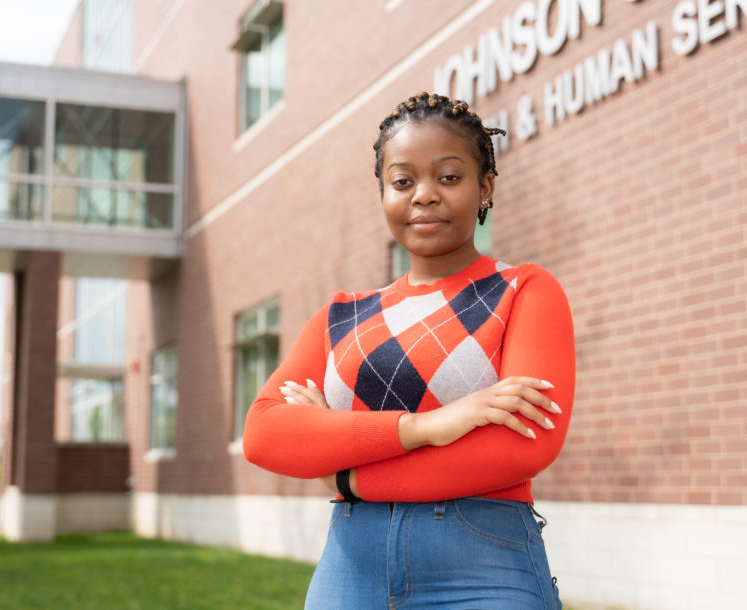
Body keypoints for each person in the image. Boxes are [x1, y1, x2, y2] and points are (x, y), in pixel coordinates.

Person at [243, 92, 574, 609]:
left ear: (485, 187)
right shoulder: (340, 316)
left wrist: (345, 472)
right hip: (349, 574)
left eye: (448, 177)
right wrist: (426, 427)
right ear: (383, 194)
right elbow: (265, 434)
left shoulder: (523, 290)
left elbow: (524, 444)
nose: (424, 195)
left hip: (482, 570)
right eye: (403, 181)